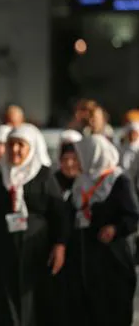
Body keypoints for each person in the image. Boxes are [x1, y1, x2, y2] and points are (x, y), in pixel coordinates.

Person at [0, 124, 69, 326]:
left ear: (32, 148)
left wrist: (60, 246)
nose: (15, 150)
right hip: (1, 254)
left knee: (35, 304)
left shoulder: (44, 177)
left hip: (37, 254)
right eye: (11, 144)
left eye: (21, 145)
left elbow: (59, 215)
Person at [66, 135, 139, 326]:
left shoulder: (119, 180)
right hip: (86, 254)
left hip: (112, 257)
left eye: (81, 156)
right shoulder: (81, 181)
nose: (78, 161)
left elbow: (133, 216)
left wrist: (115, 228)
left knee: (113, 308)